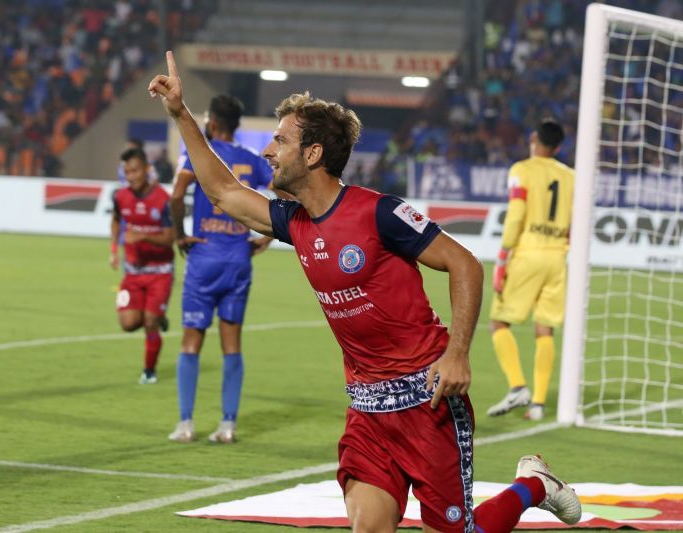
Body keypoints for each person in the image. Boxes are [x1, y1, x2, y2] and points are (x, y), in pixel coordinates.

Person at [149, 51, 581, 533]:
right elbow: (223, 193)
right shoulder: (294, 222)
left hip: (427, 402)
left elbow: (464, 264)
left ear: (312, 154)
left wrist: (457, 353)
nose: (269, 151)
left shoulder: (379, 213)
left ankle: (535, 485)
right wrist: (181, 114)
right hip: (368, 411)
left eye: (280, 141)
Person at [167, 94, 274, 444]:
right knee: (232, 344)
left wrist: (181, 235)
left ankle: (186, 423)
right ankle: (227, 425)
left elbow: (176, 193)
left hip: (204, 258)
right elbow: (284, 194)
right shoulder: (251, 160)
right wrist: (266, 239)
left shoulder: (201, 155)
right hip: (237, 260)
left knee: (190, 341)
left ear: (212, 123)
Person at [487, 119, 574, 422]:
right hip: (557, 258)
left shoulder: (521, 170)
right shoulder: (571, 177)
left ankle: (517, 386)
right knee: (544, 329)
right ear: (559, 147)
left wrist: (503, 254)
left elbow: (517, 214)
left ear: (534, 138)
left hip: (527, 253)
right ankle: (537, 404)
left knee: (498, 322)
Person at [110, 146, 175, 384]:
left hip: (160, 273)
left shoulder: (162, 199)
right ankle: (158, 317)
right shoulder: (120, 197)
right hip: (133, 273)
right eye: (127, 172)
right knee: (128, 324)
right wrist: (114, 251)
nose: (131, 176)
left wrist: (143, 236)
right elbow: (116, 220)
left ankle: (149, 371)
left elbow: (170, 238)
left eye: (135, 171)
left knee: (149, 323)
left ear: (147, 170)